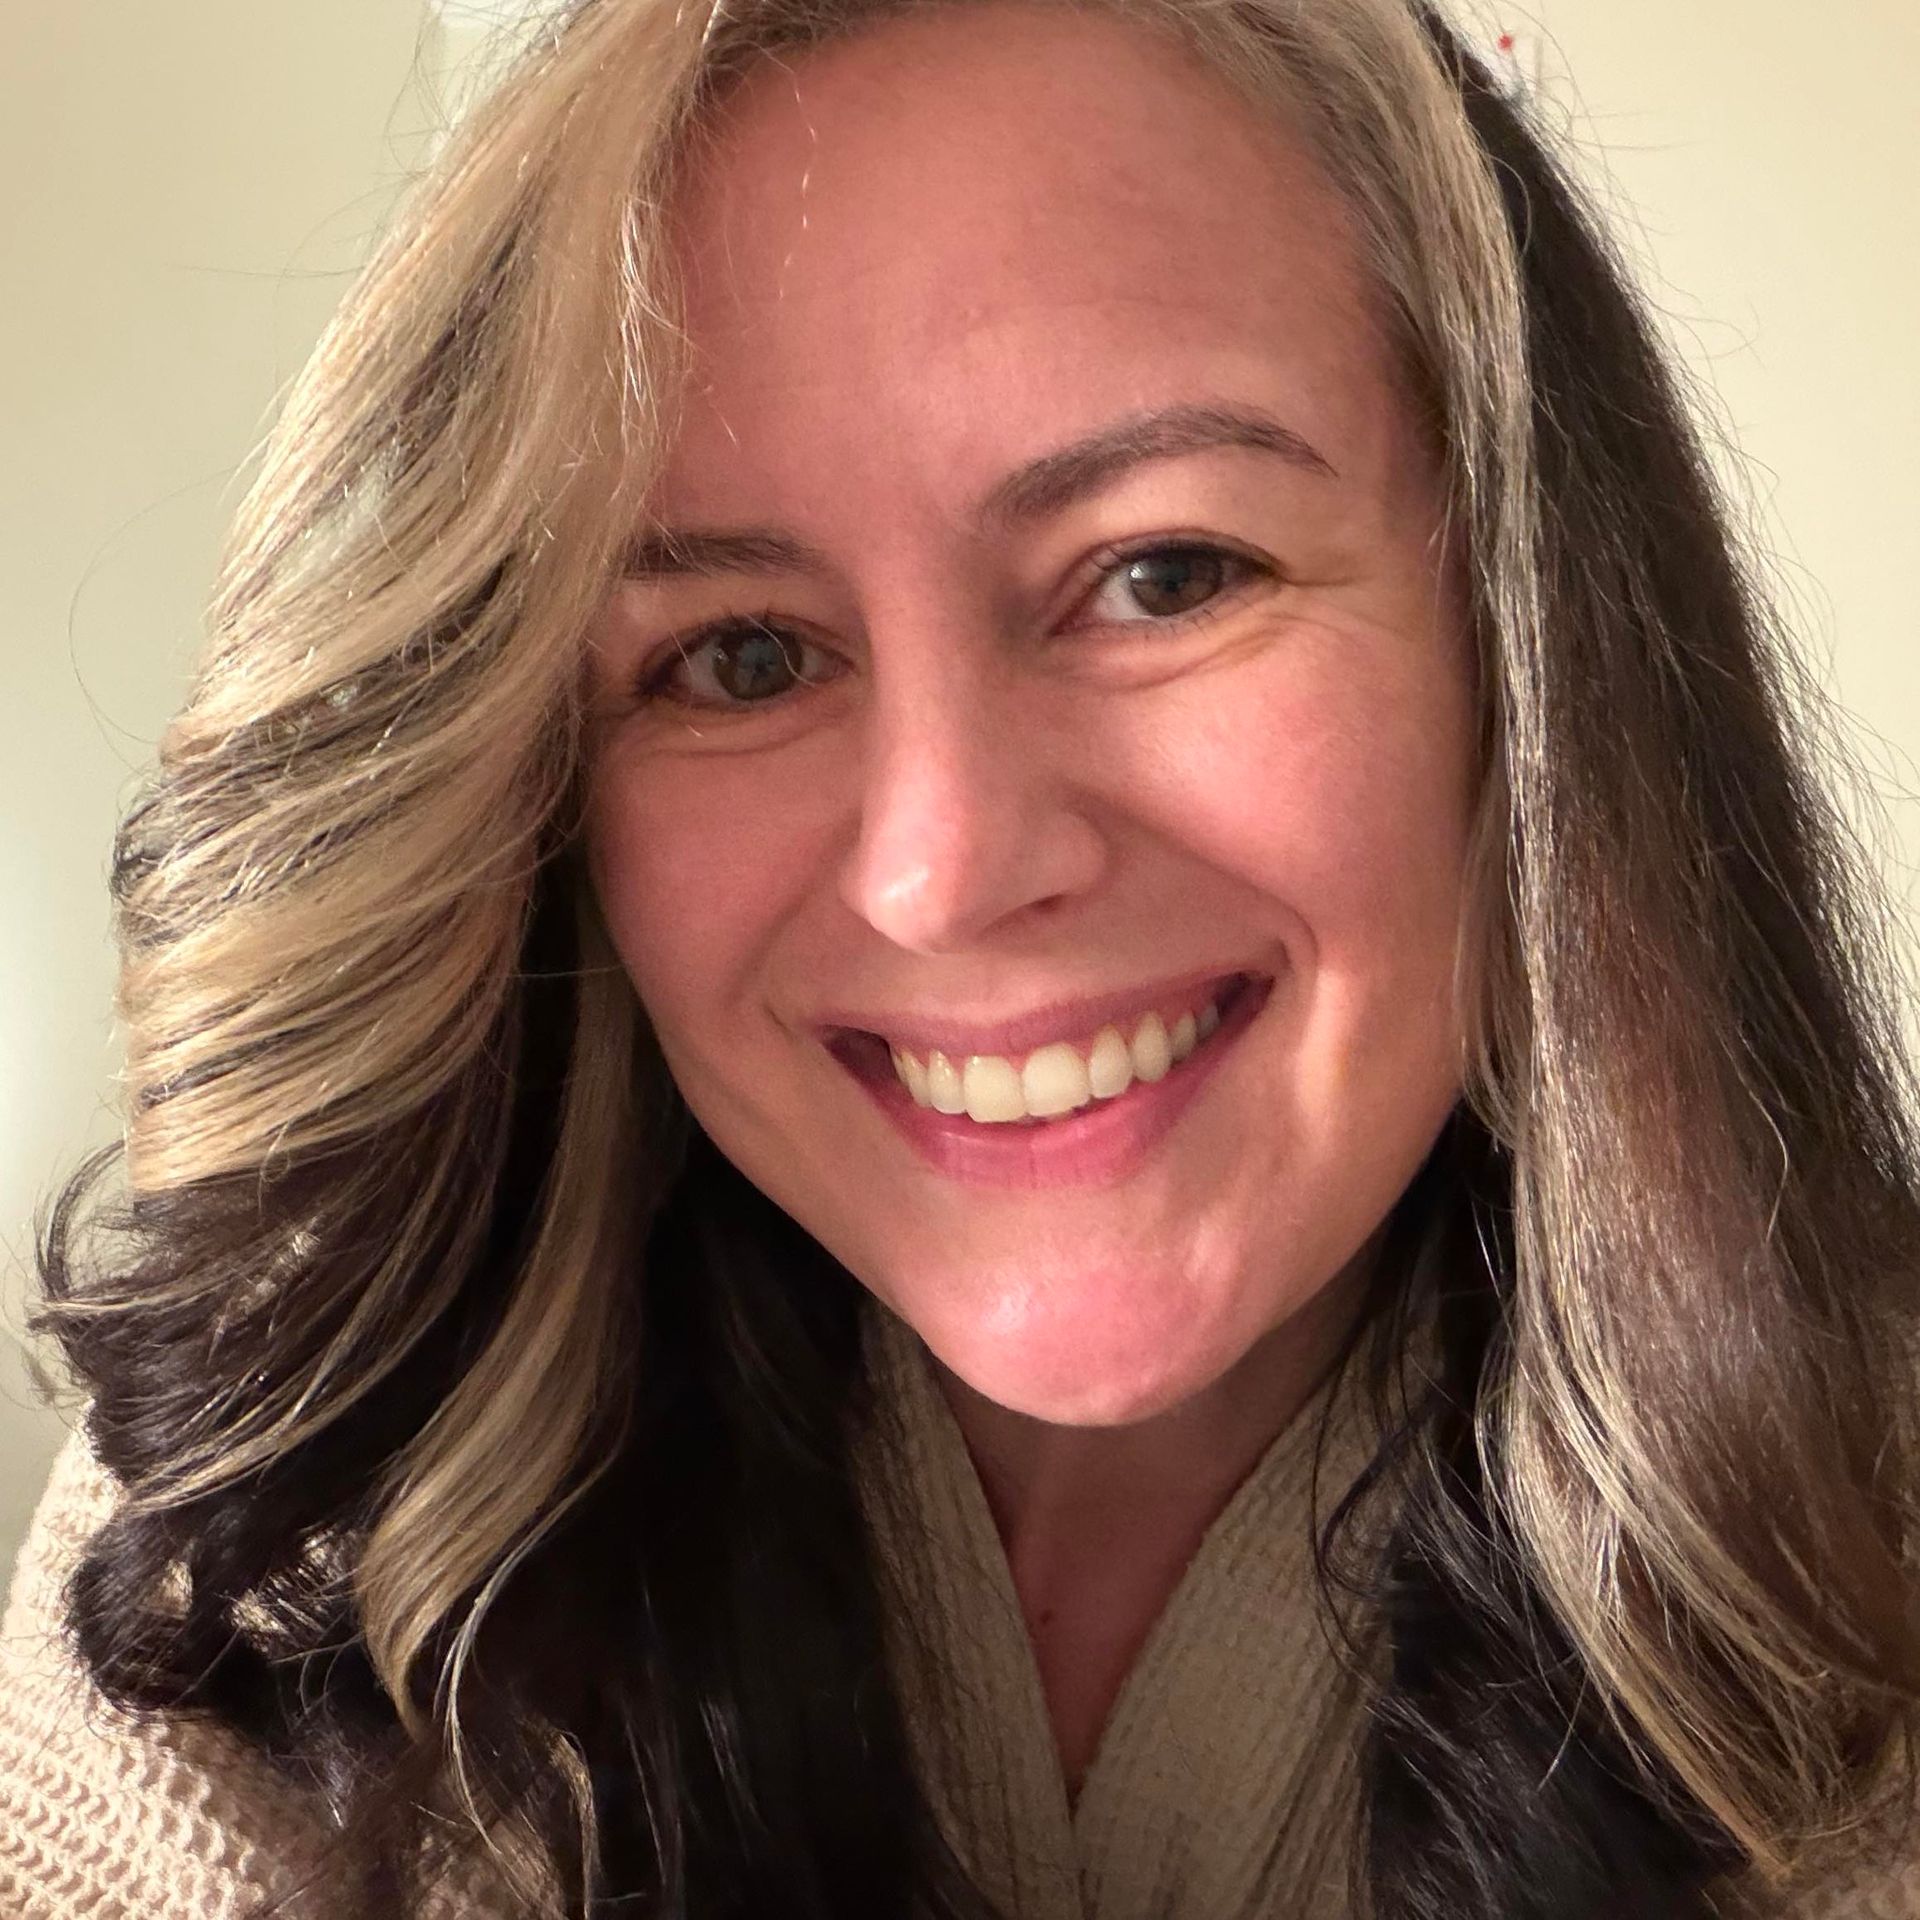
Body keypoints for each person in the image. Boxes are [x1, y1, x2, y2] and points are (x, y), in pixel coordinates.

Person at [3, 0, 1917, 1915]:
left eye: (1166, 572)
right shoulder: (276, 1490)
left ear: (1525, 636)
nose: (940, 868)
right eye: (741, 657)